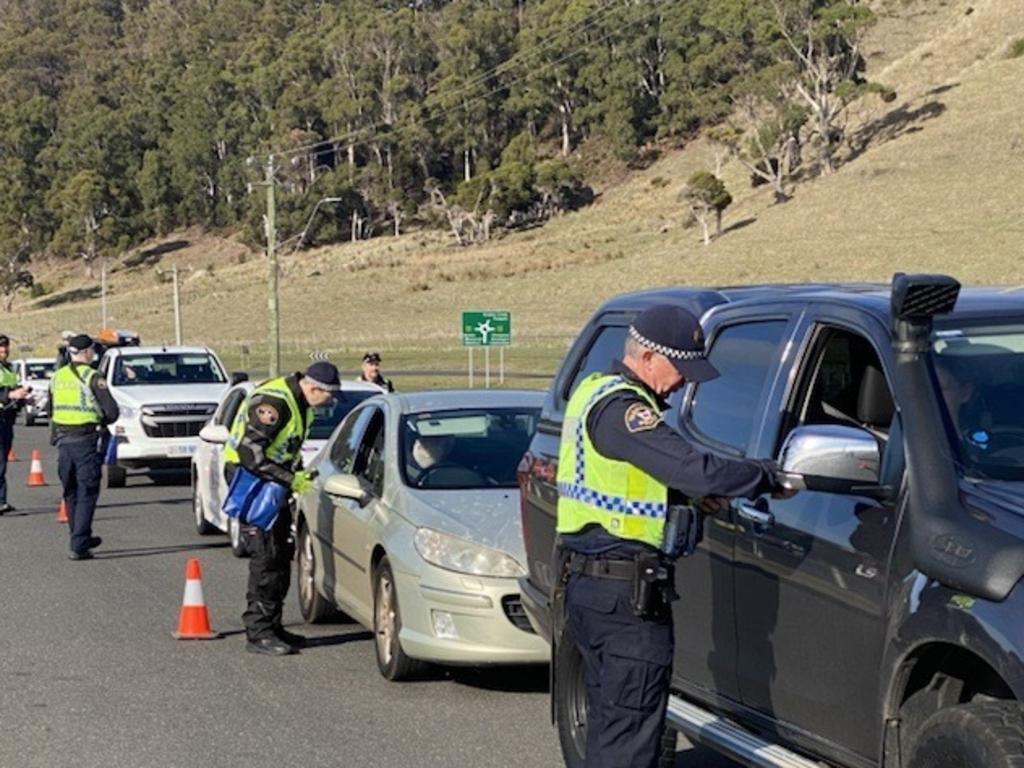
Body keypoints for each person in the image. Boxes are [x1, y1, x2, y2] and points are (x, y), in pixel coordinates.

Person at [555, 304, 791, 768]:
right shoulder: (623, 410)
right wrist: (764, 476)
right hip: (624, 601)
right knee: (630, 743)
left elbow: (631, 488)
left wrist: (684, 502)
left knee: (611, 733)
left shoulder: (593, 393)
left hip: (596, 589)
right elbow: (694, 468)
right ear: (645, 358)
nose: (685, 381)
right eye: (680, 368)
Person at [223, 360, 340, 656]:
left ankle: (273, 626)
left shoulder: (300, 402)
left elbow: (286, 446)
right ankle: (258, 632)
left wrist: (295, 475)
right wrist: (291, 479)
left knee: (281, 554)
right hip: (251, 481)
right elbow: (251, 453)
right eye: (329, 395)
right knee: (266, 558)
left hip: (272, 481)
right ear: (314, 388)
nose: (331, 402)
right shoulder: (276, 403)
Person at [50, 334, 119, 560]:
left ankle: (78, 536)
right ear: (87, 352)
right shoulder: (92, 376)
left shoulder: (57, 377)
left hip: (63, 441)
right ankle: (79, 543)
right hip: (86, 441)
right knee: (87, 492)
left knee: (70, 492)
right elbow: (112, 412)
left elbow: (52, 408)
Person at [0, 335, 30, 514]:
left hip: (7, 419)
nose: (4, 350)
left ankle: (2, 500)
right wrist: (10, 395)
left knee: (2, 461)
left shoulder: (8, 368)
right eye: (1, 348)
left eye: (5, 347)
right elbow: (6, 393)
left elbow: (11, 389)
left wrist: (22, 396)